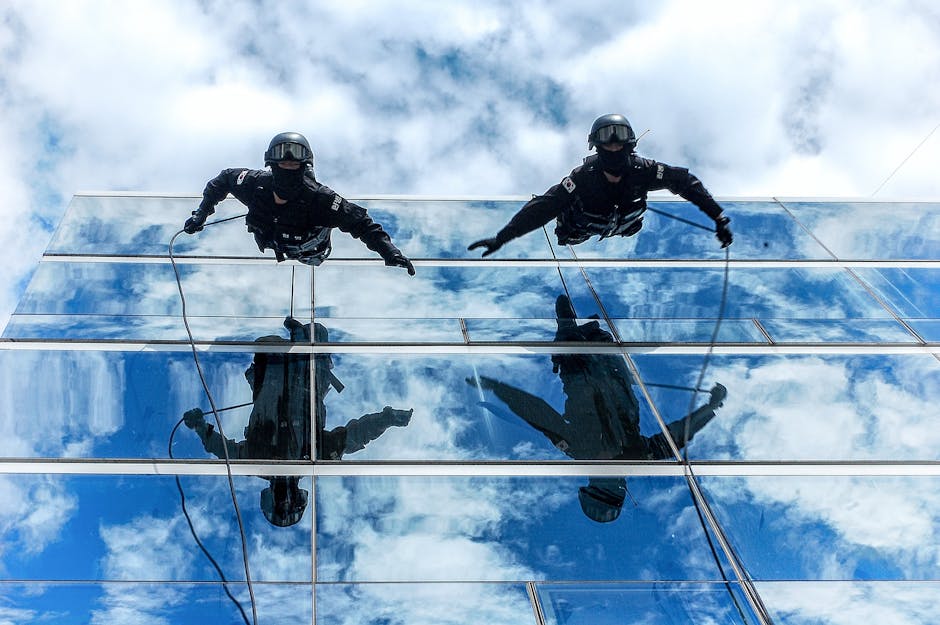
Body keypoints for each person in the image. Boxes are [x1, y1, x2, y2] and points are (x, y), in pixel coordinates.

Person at [470, 295, 727, 523]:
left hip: (584, 368)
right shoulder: (627, 456)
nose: (607, 482)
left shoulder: (588, 452)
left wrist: (498, 388)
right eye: (606, 489)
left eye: (602, 488)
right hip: (605, 369)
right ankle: (579, 327)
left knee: (577, 331)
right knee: (592, 335)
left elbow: (537, 414)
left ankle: (572, 326)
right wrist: (709, 409)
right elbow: (677, 437)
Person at [183, 317, 413, 527]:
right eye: (290, 501)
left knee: (270, 341)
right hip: (306, 374)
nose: (285, 496)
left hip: (273, 370)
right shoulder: (315, 459)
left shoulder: (256, 461)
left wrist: (200, 427)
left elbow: (222, 450)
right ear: (298, 497)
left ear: (270, 496)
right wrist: (386, 419)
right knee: (316, 332)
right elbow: (355, 436)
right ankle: (299, 335)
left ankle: (296, 336)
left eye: (280, 501)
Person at [468, 114, 733, 256]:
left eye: (620, 142)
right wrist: (502, 237)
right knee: (563, 214)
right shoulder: (582, 178)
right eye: (608, 142)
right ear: (597, 146)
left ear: (629, 145)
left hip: (624, 226)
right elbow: (543, 207)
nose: (614, 146)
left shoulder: (644, 171)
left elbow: (686, 182)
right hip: (578, 230)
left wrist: (718, 217)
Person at [184, 132, 415, 273]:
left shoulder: (321, 199)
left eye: (294, 164)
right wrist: (201, 214)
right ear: (271, 164)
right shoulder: (256, 185)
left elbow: (361, 223)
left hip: (312, 252)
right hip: (272, 243)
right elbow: (222, 180)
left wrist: (389, 252)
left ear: (304, 167)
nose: (288, 168)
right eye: (282, 163)